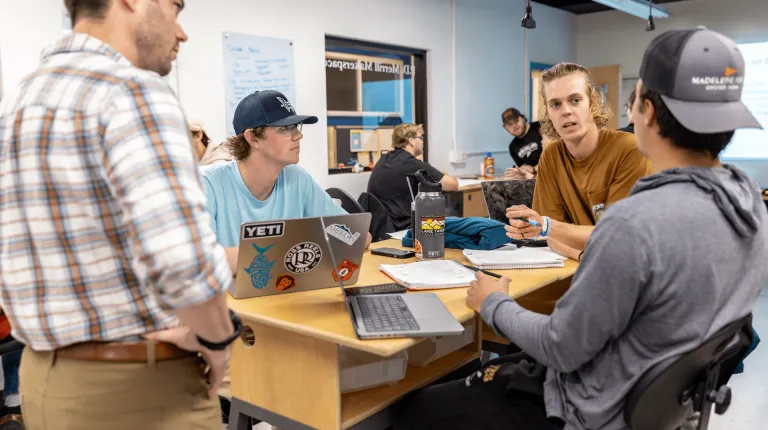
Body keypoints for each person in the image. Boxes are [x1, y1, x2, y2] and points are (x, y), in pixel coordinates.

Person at [395, 26, 768, 430]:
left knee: (416, 408)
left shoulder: (634, 224)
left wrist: (493, 303)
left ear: (645, 111)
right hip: (656, 404)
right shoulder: (748, 205)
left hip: (586, 406)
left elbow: (560, 347)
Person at [0, 1, 239, 429]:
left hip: (44, 381)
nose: (180, 32)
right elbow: (183, 261)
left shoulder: (20, 99)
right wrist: (218, 338)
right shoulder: (133, 90)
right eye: (174, 8)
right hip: (139, 390)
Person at [201, 90, 371, 275]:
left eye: (296, 126)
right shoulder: (207, 183)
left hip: (287, 294)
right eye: (285, 128)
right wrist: (292, 251)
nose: (298, 135)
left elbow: (359, 237)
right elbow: (200, 262)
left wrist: (298, 250)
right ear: (253, 138)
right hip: (232, 301)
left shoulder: (298, 179)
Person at [505, 62, 652, 260]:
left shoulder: (630, 149)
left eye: (575, 100)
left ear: (592, 103)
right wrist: (582, 256)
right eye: (555, 104)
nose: (565, 111)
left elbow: (615, 238)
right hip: (581, 265)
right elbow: (552, 236)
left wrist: (550, 228)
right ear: (548, 112)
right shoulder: (551, 155)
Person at [367, 123, 458, 231]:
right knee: (452, 214)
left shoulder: (383, 159)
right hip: (404, 227)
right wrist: (444, 174)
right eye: (420, 138)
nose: (423, 142)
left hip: (380, 227)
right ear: (411, 141)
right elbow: (453, 185)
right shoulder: (413, 164)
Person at [502, 108, 548, 180]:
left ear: (523, 118)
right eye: (509, 124)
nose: (514, 126)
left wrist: (534, 169)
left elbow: (554, 157)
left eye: (516, 121)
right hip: (536, 180)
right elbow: (524, 170)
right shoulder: (512, 147)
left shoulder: (540, 126)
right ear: (505, 128)